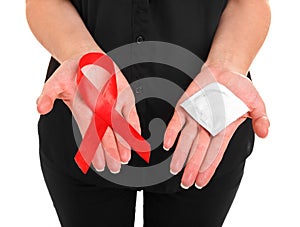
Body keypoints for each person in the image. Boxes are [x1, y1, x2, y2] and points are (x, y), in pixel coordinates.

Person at [26, 0, 271, 226]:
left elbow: (247, 4)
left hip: (204, 132)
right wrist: (79, 53)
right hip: (85, 122)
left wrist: (227, 63)